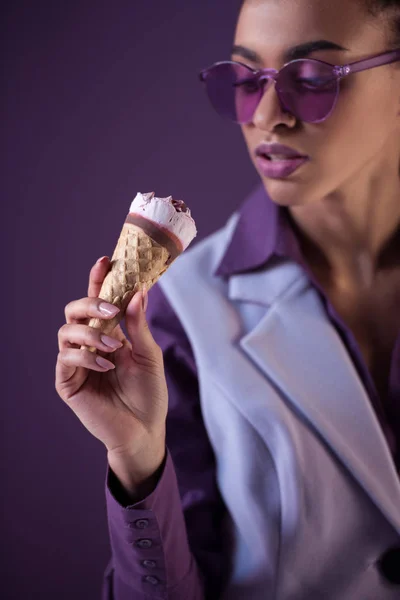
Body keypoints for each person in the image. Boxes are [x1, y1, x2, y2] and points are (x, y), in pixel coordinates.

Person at [55, 0, 400, 597]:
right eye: (243, 80)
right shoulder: (179, 313)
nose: (266, 116)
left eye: (313, 80)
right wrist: (138, 461)